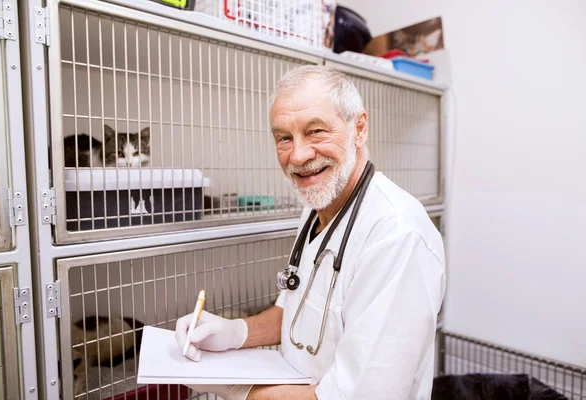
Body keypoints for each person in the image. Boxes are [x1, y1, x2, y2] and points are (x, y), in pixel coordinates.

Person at [175, 65, 446, 399]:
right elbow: (298, 310)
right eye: (284, 138)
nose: (299, 155)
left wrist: (236, 388)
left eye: (316, 131)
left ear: (358, 129)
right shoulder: (318, 205)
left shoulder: (398, 237)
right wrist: (235, 332)